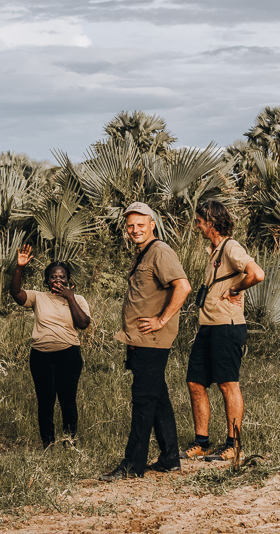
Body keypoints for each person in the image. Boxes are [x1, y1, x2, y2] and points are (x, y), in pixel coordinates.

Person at [100, 202, 191, 481]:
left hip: (152, 339)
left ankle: (132, 465)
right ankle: (170, 459)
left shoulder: (160, 251)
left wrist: (161, 320)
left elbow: (183, 286)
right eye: (130, 225)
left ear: (152, 223)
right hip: (139, 338)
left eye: (141, 224)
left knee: (142, 400)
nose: (135, 230)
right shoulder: (144, 253)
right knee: (157, 397)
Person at [182, 200, 264, 462]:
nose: (197, 226)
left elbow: (257, 274)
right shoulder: (214, 250)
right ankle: (202, 442)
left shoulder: (231, 247)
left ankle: (233, 444)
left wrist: (236, 289)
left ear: (211, 222)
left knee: (228, 385)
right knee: (195, 382)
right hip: (207, 326)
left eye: (199, 221)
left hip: (227, 327)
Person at [9, 246, 92, 448]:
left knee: (67, 399)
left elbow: (83, 324)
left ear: (68, 279)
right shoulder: (39, 297)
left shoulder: (78, 299)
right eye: (53, 277)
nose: (58, 280)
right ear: (47, 280)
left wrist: (70, 298)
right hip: (41, 356)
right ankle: (47, 443)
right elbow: (16, 294)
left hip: (68, 355)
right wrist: (19, 267)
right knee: (45, 400)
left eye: (62, 277)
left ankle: (69, 440)